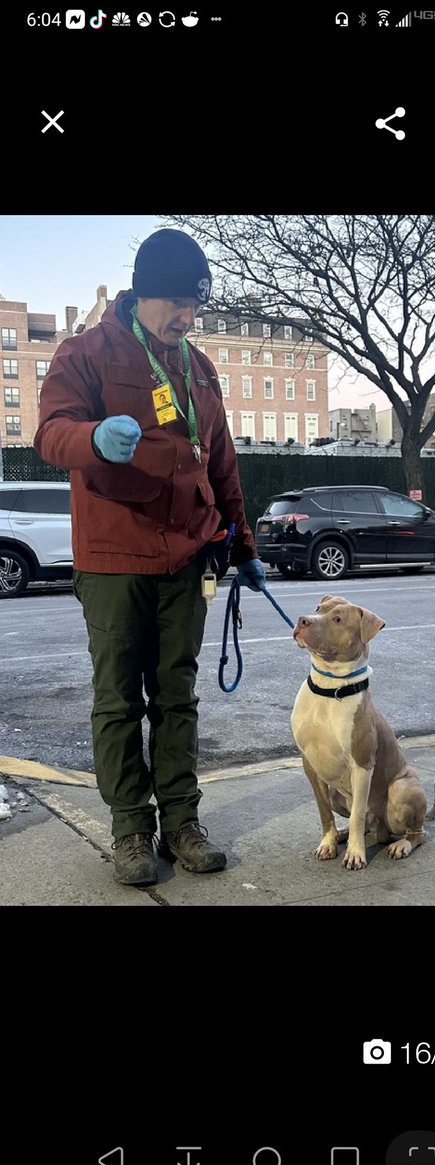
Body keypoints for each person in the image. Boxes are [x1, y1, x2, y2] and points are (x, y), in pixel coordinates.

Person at [34, 228, 266, 887]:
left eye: (196, 306)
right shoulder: (85, 352)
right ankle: (131, 831)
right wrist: (96, 438)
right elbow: (50, 433)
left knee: (177, 699)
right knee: (117, 702)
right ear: (142, 295)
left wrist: (241, 545)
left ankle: (183, 823)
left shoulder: (199, 368)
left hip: (188, 558)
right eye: (177, 304)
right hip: (114, 557)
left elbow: (221, 464)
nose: (189, 318)